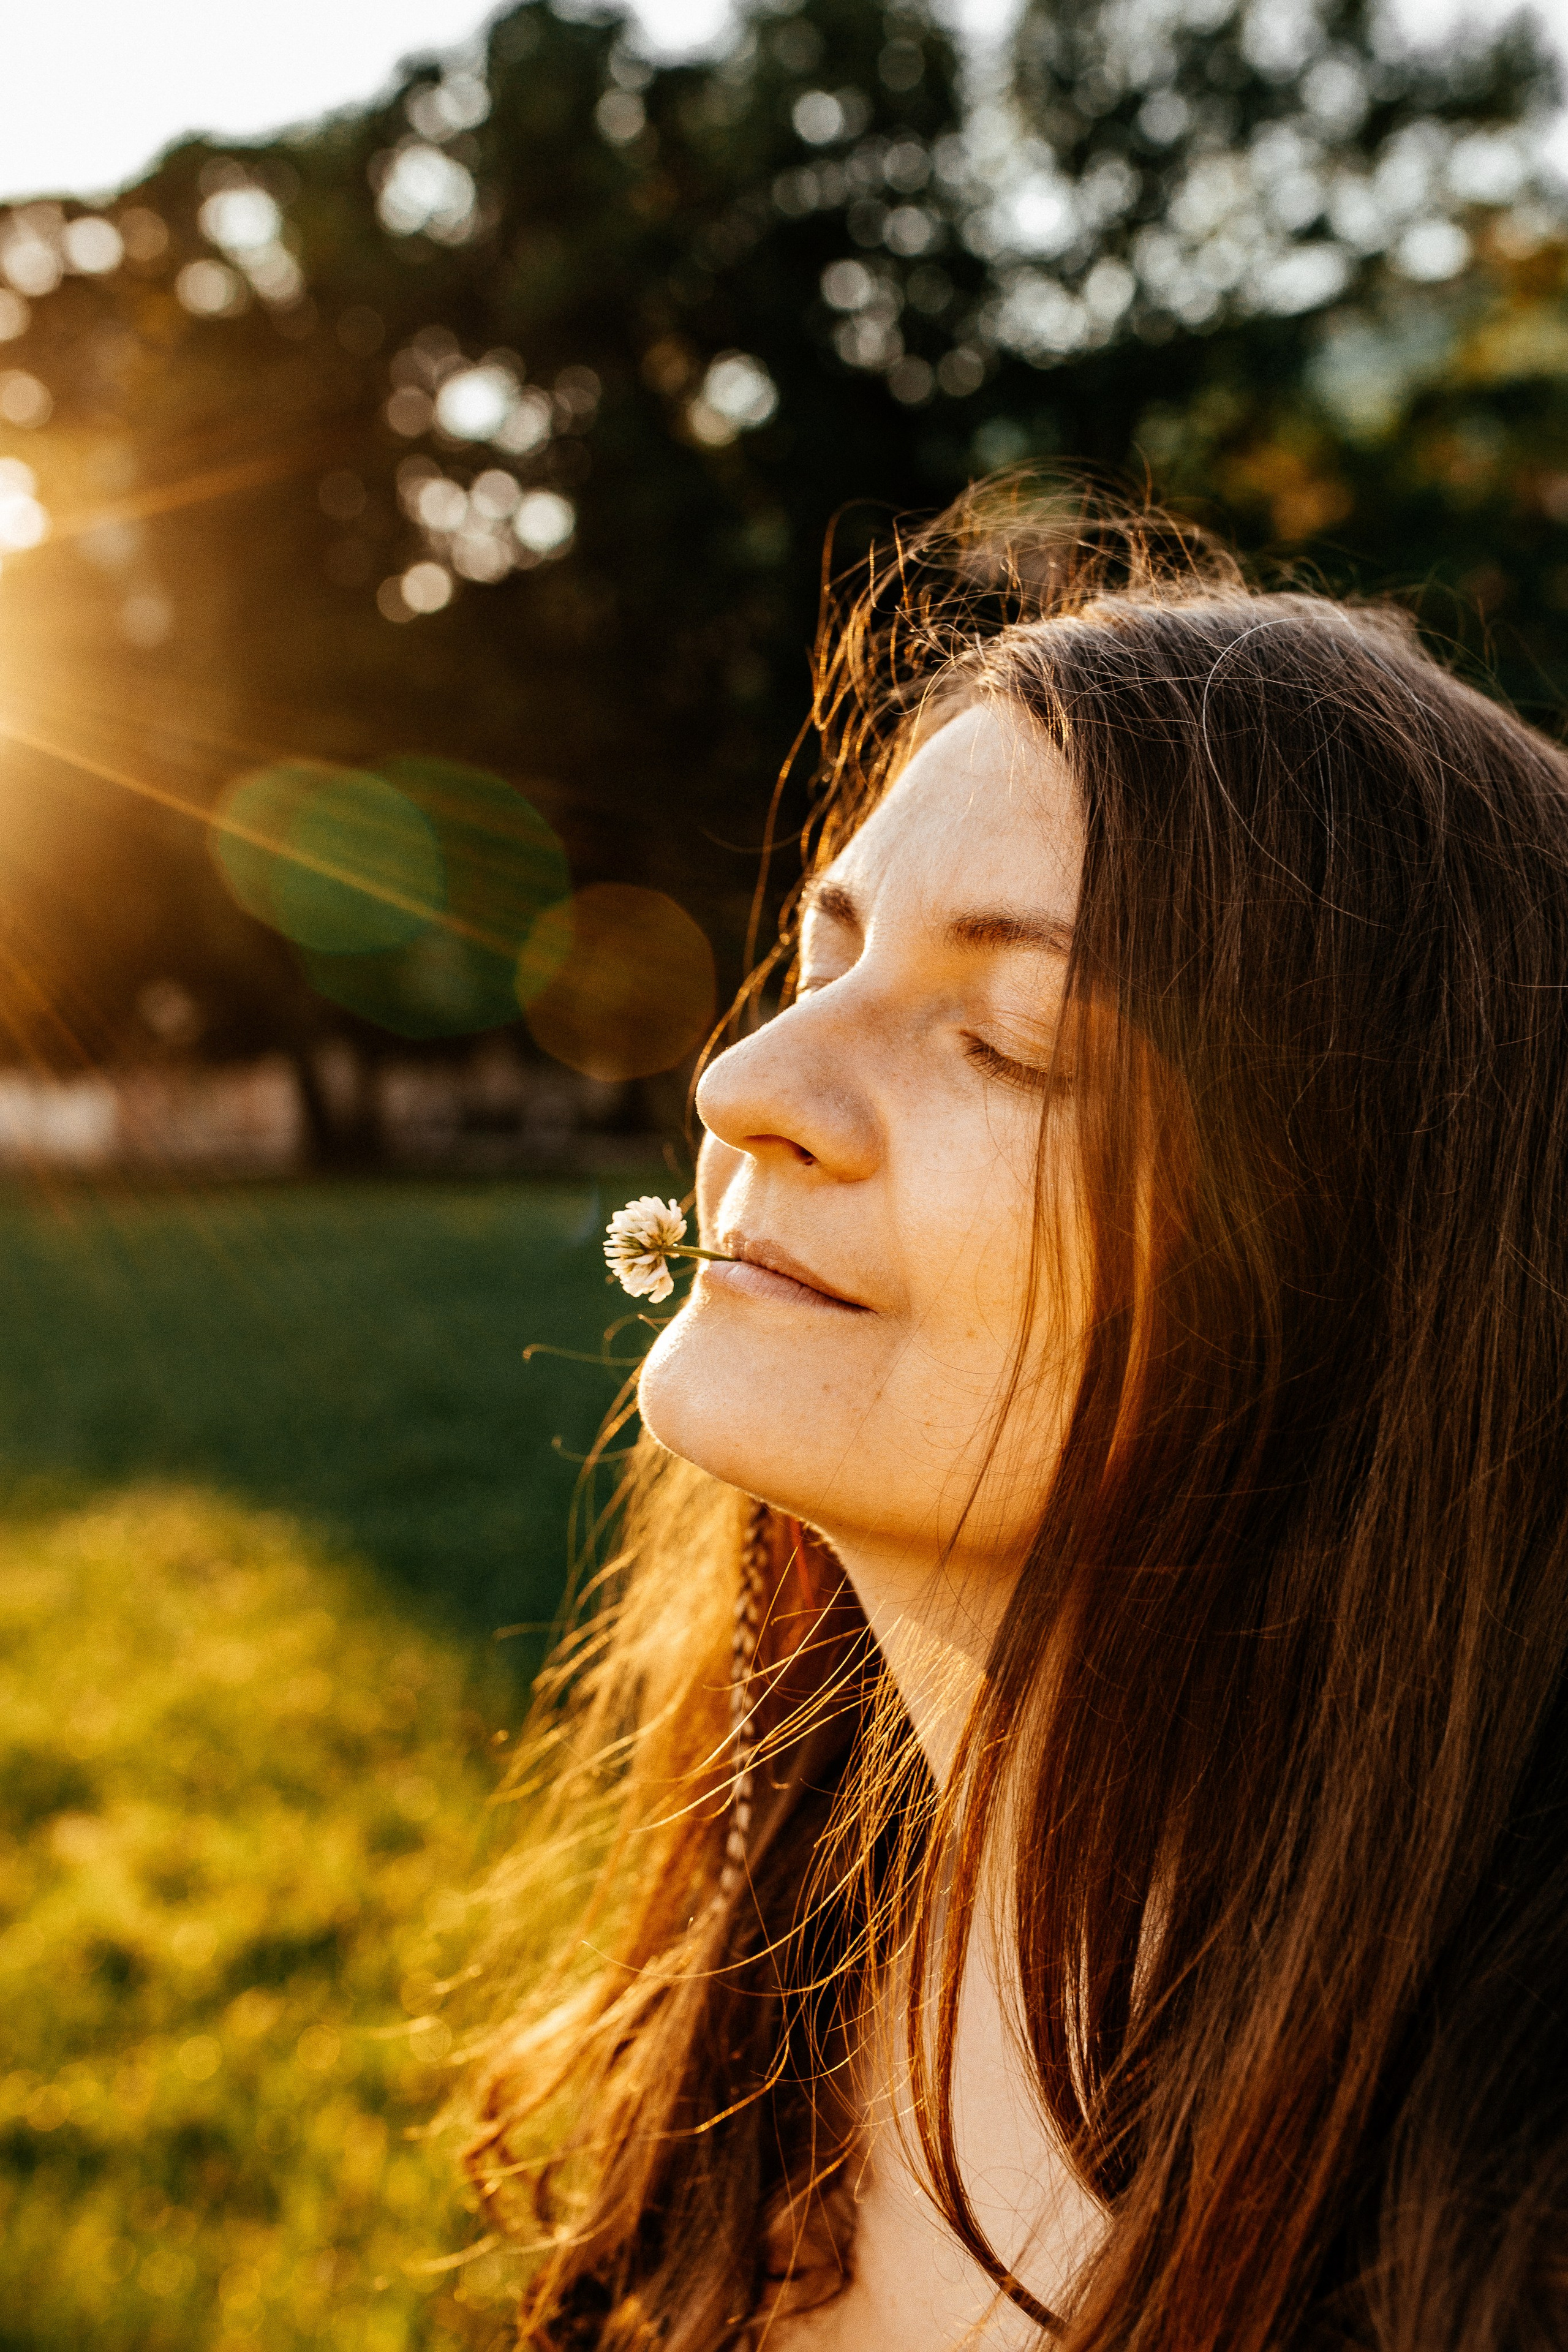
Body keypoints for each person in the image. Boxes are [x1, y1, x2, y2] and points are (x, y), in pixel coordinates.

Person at [466, 489, 1568, 2351]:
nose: (746, 1083)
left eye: (1011, 1039)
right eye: (825, 962)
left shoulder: (1491, 2249)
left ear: (1377, 1273)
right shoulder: (774, 1952)